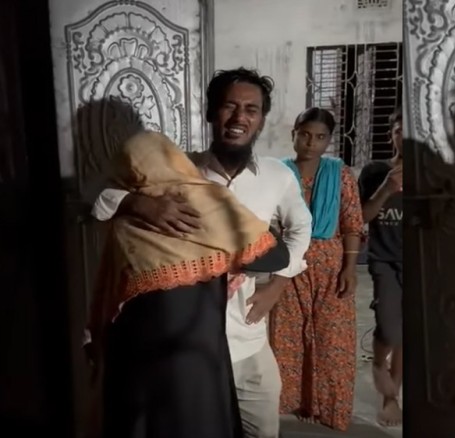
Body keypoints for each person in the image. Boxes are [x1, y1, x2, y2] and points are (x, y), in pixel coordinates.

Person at [91, 68, 312, 438]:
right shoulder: (175, 171)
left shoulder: (278, 175)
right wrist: (136, 203)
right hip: (184, 347)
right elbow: (98, 198)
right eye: (229, 106)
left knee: (261, 429)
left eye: (251, 109)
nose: (239, 117)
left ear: (261, 120)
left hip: (246, 338)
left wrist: (278, 285)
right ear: (211, 112)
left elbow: (300, 229)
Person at [269, 107, 364, 431]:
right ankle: (300, 403)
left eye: (320, 137)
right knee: (289, 336)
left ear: (329, 141)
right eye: (305, 135)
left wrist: (349, 269)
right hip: (288, 265)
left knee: (333, 339)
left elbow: (352, 224)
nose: (311, 143)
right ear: (294, 134)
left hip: (330, 267)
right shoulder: (278, 173)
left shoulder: (341, 174)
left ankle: (331, 407)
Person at [358, 108, 403, 427]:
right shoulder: (375, 170)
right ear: (391, 135)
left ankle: (391, 397)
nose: (405, 137)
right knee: (389, 328)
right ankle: (377, 360)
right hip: (384, 260)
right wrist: (387, 188)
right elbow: (362, 216)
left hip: (420, 264)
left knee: (407, 334)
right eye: (399, 130)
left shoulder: (431, 174)